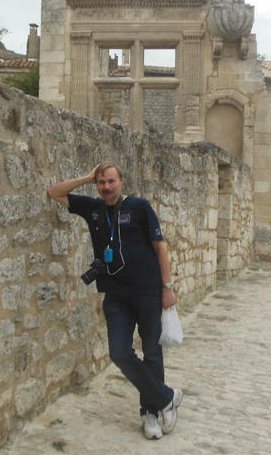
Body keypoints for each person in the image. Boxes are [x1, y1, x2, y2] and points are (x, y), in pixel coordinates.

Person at [47, 163, 182, 440]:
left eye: (111, 181)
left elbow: (160, 247)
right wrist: (86, 177)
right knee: (119, 352)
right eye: (101, 183)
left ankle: (150, 412)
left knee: (152, 352)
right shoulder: (93, 209)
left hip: (147, 292)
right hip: (116, 296)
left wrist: (167, 287)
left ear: (121, 182)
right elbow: (54, 192)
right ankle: (166, 397)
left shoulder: (140, 207)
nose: (106, 187)